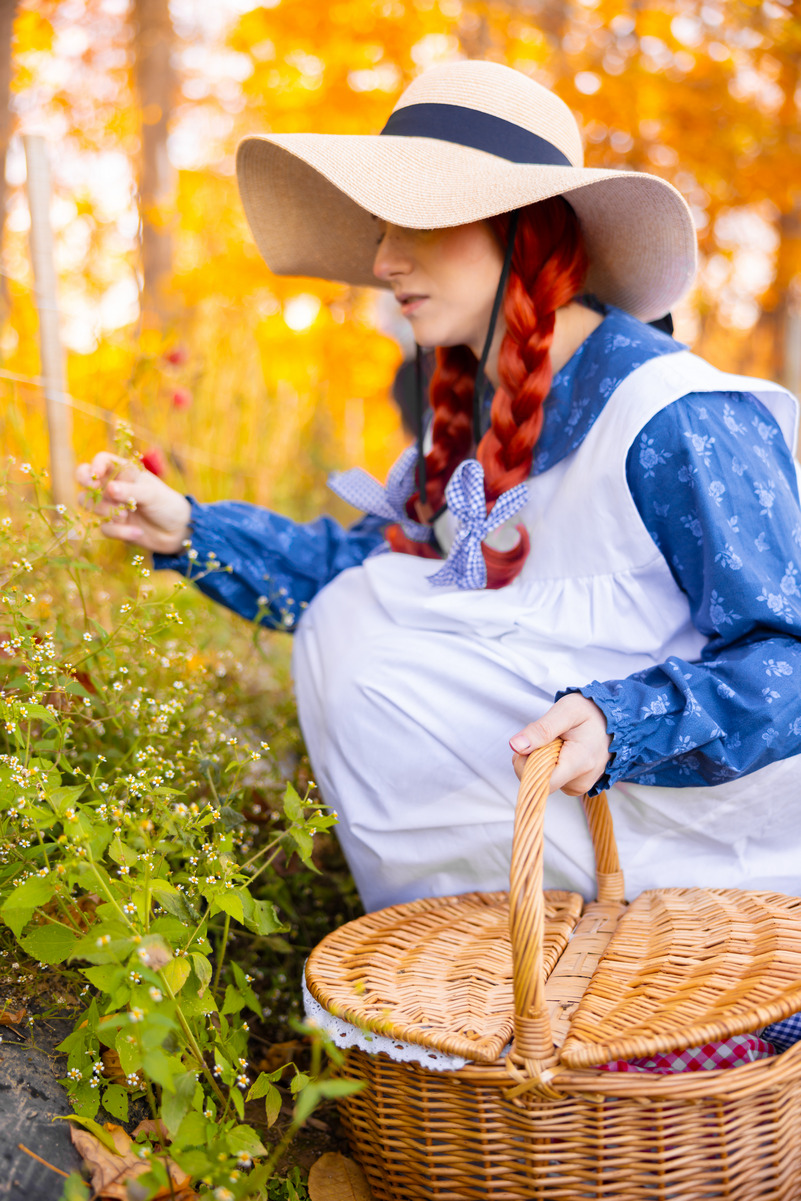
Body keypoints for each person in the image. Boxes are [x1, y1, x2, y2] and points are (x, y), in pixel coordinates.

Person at [77, 60, 801, 916]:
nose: (383, 260)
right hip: (515, 919)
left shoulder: (674, 418)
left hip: (685, 886)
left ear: (524, 231)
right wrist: (187, 529)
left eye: (413, 222)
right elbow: (358, 574)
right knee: (362, 609)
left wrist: (619, 724)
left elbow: (783, 659)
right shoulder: (465, 427)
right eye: (382, 229)